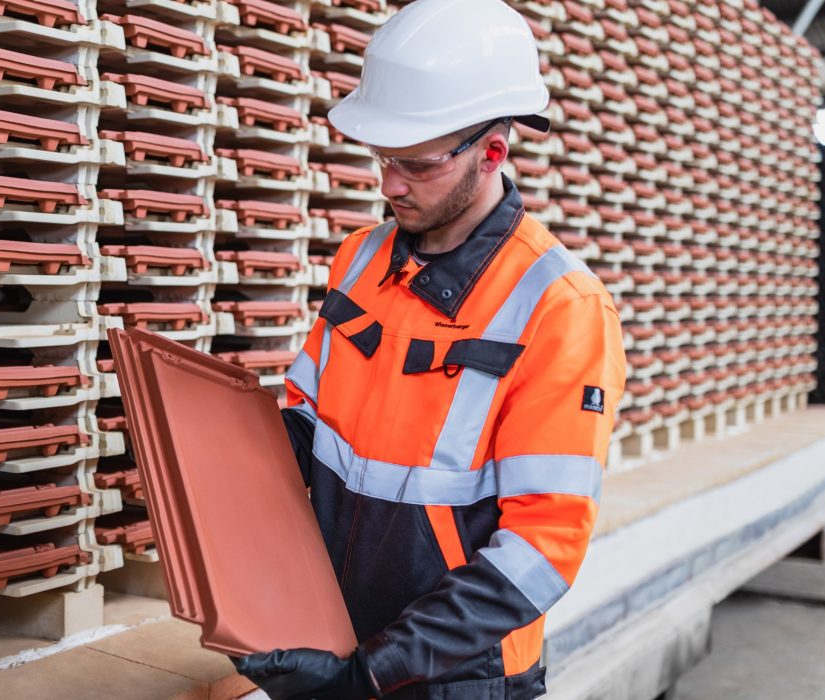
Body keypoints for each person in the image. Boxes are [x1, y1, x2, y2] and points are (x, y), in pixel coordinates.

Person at [231, 0, 628, 697]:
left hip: (457, 677)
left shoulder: (561, 308)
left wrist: (372, 675)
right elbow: (307, 422)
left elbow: (544, 548)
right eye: (382, 158)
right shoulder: (360, 259)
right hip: (335, 644)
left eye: (414, 164)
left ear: (492, 153)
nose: (388, 185)